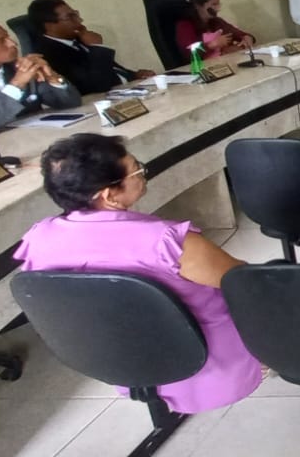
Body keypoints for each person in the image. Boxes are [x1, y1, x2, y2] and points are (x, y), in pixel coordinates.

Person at [14, 134, 262, 412]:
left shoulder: (38, 239)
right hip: (209, 362)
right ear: (109, 195)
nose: (143, 174)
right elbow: (244, 282)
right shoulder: (167, 242)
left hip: (120, 358)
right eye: (136, 171)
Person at [27, 0, 156, 94]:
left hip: (127, 90)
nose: (80, 20)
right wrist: (97, 48)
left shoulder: (77, 39)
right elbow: (98, 85)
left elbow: (111, 69)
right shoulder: (48, 54)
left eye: (76, 14)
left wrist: (133, 75)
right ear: (49, 25)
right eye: (71, 17)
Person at [175, 0, 254, 60]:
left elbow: (237, 33)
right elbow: (189, 54)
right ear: (198, 6)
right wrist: (212, 45)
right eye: (214, 4)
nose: (218, 9)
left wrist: (246, 37)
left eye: (218, 4)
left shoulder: (217, 21)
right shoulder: (184, 26)